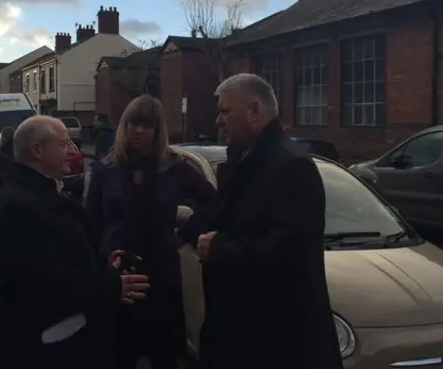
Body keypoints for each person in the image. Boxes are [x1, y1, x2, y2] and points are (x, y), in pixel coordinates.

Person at [196, 74, 343, 369]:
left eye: (225, 111)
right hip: (245, 338)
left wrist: (219, 248)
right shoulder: (245, 160)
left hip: (276, 345)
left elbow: (288, 253)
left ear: (254, 111)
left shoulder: (292, 167)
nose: (218, 121)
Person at [0, 115, 150, 369]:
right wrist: (112, 285)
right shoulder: (16, 208)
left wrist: (102, 264)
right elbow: (44, 285)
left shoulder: (39, 194)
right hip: (43, 353)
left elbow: (63, 255)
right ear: (38, 150)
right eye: (63, 144)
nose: (73, 151)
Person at [85, 95, 218, 369]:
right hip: (118, 276)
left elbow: (213, 201)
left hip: (162, 277)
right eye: (134, 123)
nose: (139, 131)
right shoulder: (106, 170)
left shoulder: (174, 168)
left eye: (148, 126)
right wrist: (97, 270)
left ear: (158, 131)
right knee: (118, 357)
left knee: (164, 356)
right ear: (124, 125)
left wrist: (187, 234)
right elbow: (91, 224)